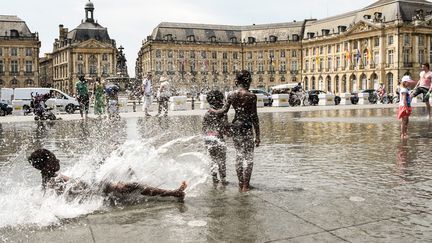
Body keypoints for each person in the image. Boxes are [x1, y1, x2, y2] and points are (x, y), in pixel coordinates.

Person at [27, 149, 187, 201]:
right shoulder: (55, 179)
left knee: (110, 160)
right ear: (48, 164)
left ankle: (133, 176)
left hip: (94, 186)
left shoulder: (47, 178)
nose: (58, 159)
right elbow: (76, 191)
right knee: (131, 186)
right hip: (97, 190)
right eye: (54, 158)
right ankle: (174, 193)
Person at [211, 70, 260, 192]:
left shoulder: (232, 95)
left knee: (239, 156)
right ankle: (246, 185)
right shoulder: (252, 96)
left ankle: (240, 183)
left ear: (237, 82)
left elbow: (223, 111)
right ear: (248, 81)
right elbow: (254, 116)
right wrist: (258, 135)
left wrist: (213, 111)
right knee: (248, 158)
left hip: (236, 127)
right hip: (247, 128)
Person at [202, 90, 229, 185]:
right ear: (219, 100)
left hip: (209, 138)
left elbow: (204, 128)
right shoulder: (222, 113)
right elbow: (225, 127)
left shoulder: (207, 113)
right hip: (218, 137)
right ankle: (223, 179)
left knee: (213, 160)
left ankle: (214, 178)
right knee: (221, 160)